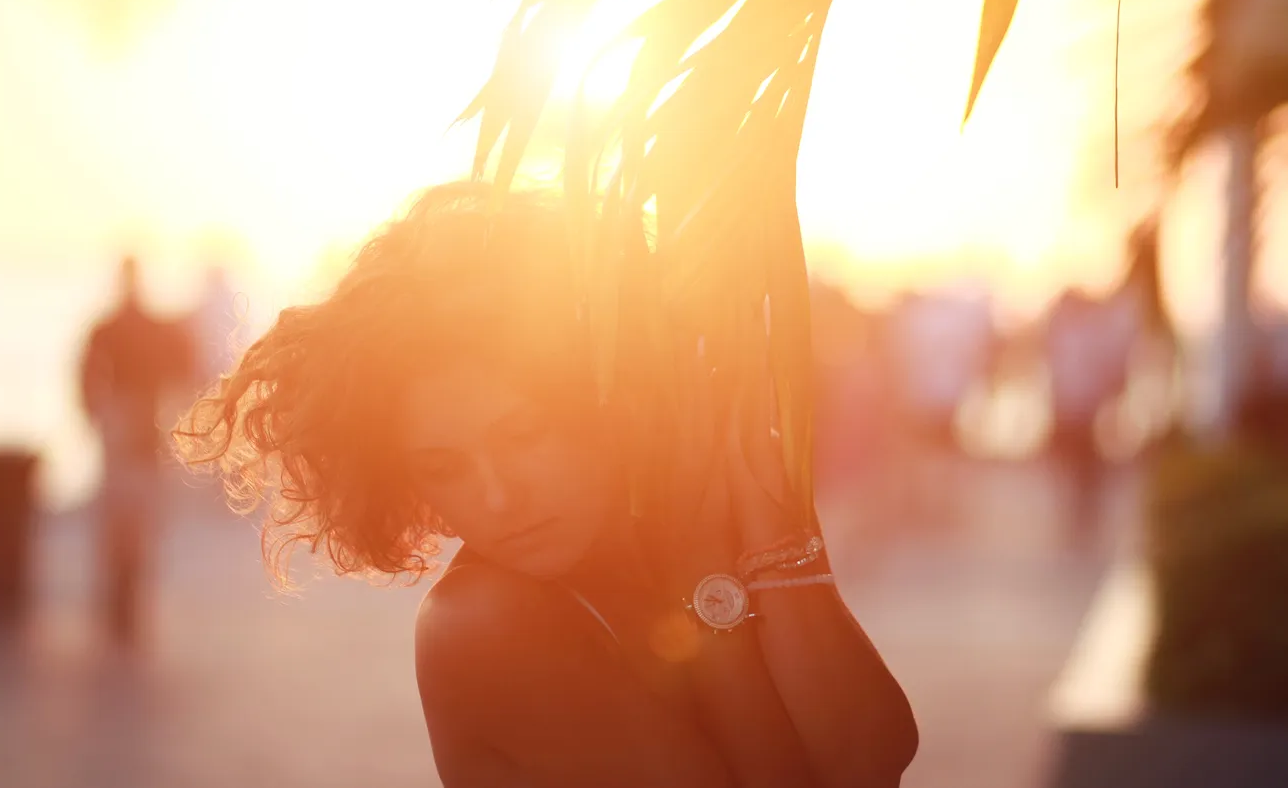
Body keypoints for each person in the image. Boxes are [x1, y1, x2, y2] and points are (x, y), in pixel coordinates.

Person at [174, 183, 917, 787]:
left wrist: (776, 518)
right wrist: (713, 574)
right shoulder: (485, 624)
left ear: (605, 399)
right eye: (444, 468)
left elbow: (878, 751)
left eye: (524, 437)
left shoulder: (663, 534)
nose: (497, 499)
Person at [80, 256, 192, 642]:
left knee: (125, 518)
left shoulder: (113, 326)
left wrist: (97, 415)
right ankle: (125, 604)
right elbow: (188, 365)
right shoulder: (148, 327)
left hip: (132, 424)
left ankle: (123, 603)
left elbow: (87, 376)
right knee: (136, 518)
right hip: (143, 423)